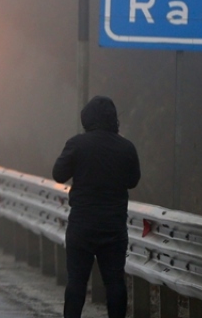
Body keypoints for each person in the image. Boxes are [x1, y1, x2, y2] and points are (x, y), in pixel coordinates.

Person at [52, 95, 140, 318]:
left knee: (77, 282)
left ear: (87, 119)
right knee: (115, 283)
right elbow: (133, 180)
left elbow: (58, 174)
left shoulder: (77, 144)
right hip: (113, 227)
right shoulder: (126, 148)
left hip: (82, 225)